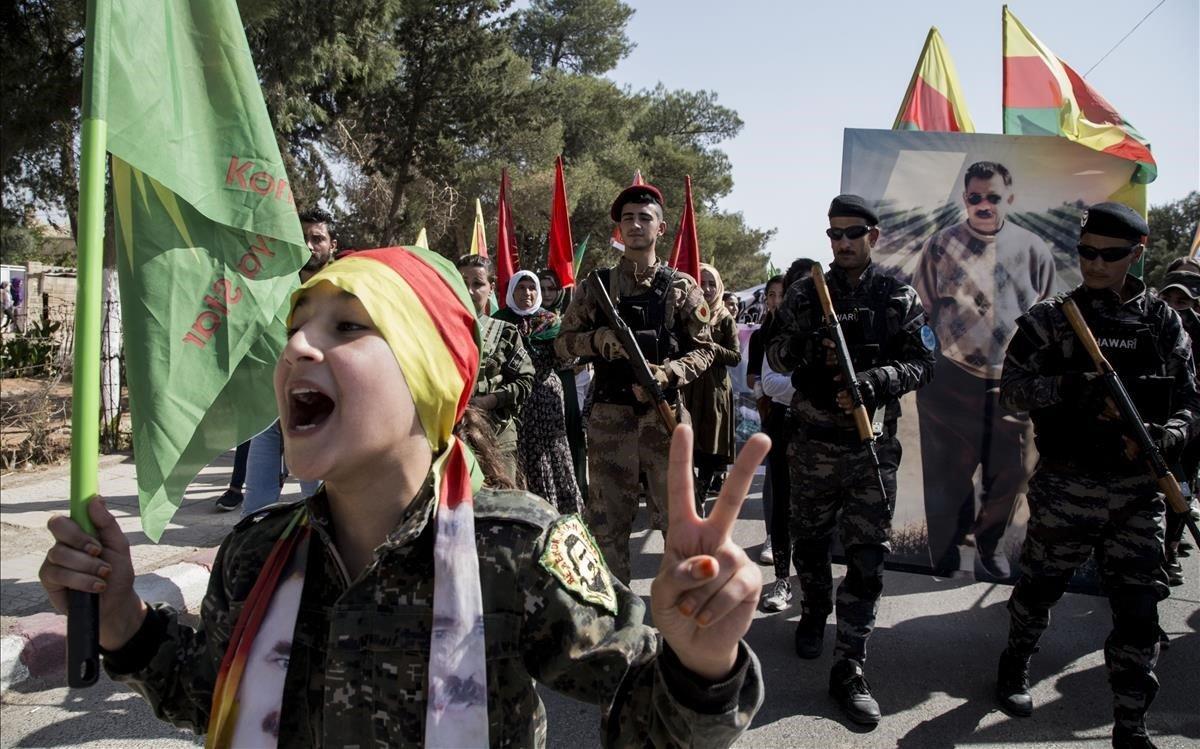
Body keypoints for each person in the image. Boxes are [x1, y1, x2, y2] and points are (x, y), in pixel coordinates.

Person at [39, 245, 768, 748]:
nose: (296, 347)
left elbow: (652, 725)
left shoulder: (516, 549)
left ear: (429, 377)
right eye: (295, 329)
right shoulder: (253, 555)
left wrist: (702, 663)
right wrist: (122, 621)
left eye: (348, 327)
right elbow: (213, 696)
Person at [993, 203, 1199, 749]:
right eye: (1086, 252)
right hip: (1067, 486)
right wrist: (1070, 387)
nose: (1095, 264)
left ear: (1138, 252)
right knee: (1039, 590)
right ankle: (1015, 665)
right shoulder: (1053, 319)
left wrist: (1169, 436)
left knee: (1138, 611)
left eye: (1109, 255)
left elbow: (1190, 403)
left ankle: (1131, 725)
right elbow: (1010, 391)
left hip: (1137, 491)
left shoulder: (1163, 322)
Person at [767, 194, 935, 725]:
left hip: (871, 447)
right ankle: (815, 610)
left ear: (874, 237)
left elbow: (924, 362)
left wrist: (878, 379)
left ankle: (851, 664)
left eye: (852, 233)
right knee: (811, 545)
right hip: (814, 443)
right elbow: (775, 356)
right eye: (834, 234)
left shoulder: (897, 297)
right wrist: (808, 346)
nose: (842, 243)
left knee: (867, 558)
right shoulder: (803, 294)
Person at [556, 183, 715, 584]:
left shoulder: (682, 288)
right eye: (627, 218)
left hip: (665, 424)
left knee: (678, 527)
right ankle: (616, 623)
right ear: (618, 230)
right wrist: (597, 341)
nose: (635, 224)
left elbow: (705, 351)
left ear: (661, 229)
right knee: (607, 531)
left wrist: (668, 374)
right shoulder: (596, 288)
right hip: (611, 422)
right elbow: (562, 344)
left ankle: (680, 623)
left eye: (645, 218)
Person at [912, 161, 1057, 579]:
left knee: (1011, 471)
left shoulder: (1033, 249)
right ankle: (946, 547)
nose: (983, 204)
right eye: (975, 197)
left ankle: (989, 546)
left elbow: (1048, 314)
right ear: (965, 199)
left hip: (1011, 383)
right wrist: (927, 364)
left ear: (1007, 199)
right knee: (946, 474)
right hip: (951, 377)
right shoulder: (940, 245)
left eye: (992, 196)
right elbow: (921, 308)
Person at [238, 207, 337, 515]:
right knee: (256, 508)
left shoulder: (345, 288)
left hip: (321, 408)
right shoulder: (272, 285)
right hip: (269, 407)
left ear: (332, 244)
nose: (308, 245)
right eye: (302, 238)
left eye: (317, 238)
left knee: (320, 502)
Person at [495, 270, 582, 515]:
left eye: (532, 288)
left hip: (547, 402)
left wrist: (572, 346)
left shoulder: (552, 322)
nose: (527, 293)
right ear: (511, 292)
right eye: (520, 288)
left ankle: (557, 515)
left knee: (552, 456)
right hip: (512, 403)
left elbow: (566, 362)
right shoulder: (499, 322)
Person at [756, 258, 815, 611]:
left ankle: (812, 588)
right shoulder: (778, 328)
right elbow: (770, 382)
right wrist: (811, 388)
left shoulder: (833, 325)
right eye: (799, 286)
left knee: (817, 516)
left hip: (823, 433)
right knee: (782, 507)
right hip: (786, 426)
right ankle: (782, 581)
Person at [457, 255, 535, 483]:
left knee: (502, 505)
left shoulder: (505, 332)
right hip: (454, 438)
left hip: (497, 435)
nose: (470, 291)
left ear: (491, 288)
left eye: (478, 284)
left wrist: (489, 401)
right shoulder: (439, 331)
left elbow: (525, 381)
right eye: (463, 283)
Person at [684, 264, 741, 514]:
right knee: (686, 447)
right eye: (701, 282)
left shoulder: (724, 318)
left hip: (714, 392)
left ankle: (700, 499)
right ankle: (688, 500)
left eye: (711, 284)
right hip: (688, 388)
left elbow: (735, 356)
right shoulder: (685, 315)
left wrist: (711, 347)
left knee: (709, 449)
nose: (706, 289)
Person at [540, 267, 591, 503]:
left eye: (551, 288)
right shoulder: (528, 316)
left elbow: (585, 348)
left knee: (571, 435)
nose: (546, 293)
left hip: (569, 382)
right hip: (540, 387)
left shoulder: (572, 315)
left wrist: (572, 358)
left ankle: (578, 491)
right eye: (542, 288)